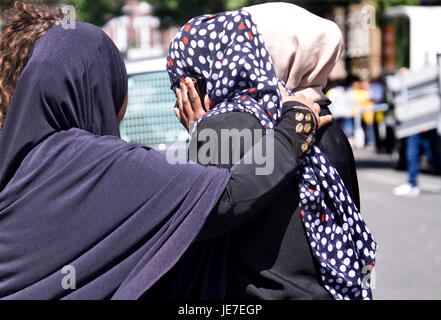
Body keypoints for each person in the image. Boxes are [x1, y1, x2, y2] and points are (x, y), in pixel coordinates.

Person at [0, 2, 328, 299]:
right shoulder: (101, 165)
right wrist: (294, 127)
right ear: (101, 86)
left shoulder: (16, 167)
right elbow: (228, 197)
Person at [163, 4, 377, 300]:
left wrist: (204, 133)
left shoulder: (224, 129)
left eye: (182, 81)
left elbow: (204, 219)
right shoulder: (324, 126)